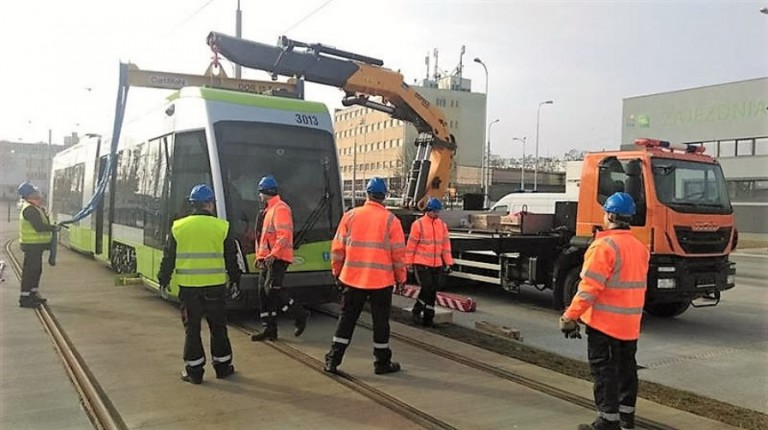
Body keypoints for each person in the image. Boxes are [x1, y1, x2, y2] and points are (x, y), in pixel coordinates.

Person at [559, 192, 650, 430]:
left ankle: (608, 422)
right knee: (627, 370)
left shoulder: (603, 246)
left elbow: (589, 288)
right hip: (630, 325)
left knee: (604, 371)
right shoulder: (640, 248)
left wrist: (570, 316)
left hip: (605, 325)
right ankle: (626, 417)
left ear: (609, 215)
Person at [323, 177, 407, 375]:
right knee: (381, 323)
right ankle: (382, 363)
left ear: (367, 195)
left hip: (352, 279)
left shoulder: (350, 216)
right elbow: (398, 255)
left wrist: (337, 272)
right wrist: (401, 278)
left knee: (347, 319)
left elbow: (337, 249)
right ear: (384, 196)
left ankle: (333, 360)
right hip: (382, 282)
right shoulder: (391, 221)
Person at [157, 184, 240, 384]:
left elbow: (168, 257)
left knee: (192, 330)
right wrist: (235, 279)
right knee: (218, 328)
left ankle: (194, 372)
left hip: (189, 290)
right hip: (215, 288)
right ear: (209, 204)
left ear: (192, 204)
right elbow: (231, 258)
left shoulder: (178, 227)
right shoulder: (222, 227)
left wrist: (163, 279)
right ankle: (223, 367)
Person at [250, 176, 308, 341]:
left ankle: (299, 314)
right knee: (263, 292)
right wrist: (260, 257)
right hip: (267, 259)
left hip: (278, 258)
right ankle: (269, 328)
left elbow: (284, 235)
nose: (259, 196)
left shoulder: (280, 209)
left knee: (272, 290)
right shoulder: (268, 210)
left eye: (260, 192)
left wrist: (273, 254)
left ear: (265, 192)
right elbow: (264, 239)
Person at [406, 197, 453, 327]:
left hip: (436, 264)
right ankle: (417, 310)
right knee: (427, 288)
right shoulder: (419, 224)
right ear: (428, 210)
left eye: (438, 211)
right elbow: (411, 245)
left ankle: (428, 319)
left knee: (432, 291)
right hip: (421, 263)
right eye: (435, 211)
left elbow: (445, 246)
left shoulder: (441, 225)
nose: (437, 214)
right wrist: (408, 263)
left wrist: (448, 263)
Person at [17, 182, 57, 308]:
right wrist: (53, 228)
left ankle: (32, 294)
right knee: (31, 272)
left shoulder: (34, 207)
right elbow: (39, 227)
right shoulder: (29, 209)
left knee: (36, 271)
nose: (37, 193)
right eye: (34, 192)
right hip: (32, 246)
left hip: (36, 246)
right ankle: (25, 298)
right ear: (29, 194)